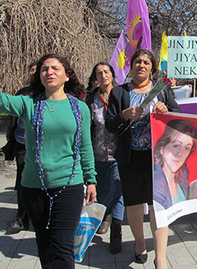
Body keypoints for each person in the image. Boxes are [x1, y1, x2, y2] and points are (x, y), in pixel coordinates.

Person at [0, 45, 97, 268]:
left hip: (68, 186)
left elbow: (85, 146)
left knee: (62, 245)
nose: (49, 72)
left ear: (66, 75)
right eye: (44, 69)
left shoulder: (80, 108)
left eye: (55, 68)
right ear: (38, 76)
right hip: (33, 186)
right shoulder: (28, 104)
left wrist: (91, 179)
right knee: (44, 243)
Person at [105, 49, 180, 269]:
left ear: (152, 67)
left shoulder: (162, 90)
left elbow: (178, 115)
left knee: (159, 205)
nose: (142, 65)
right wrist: (123, 116)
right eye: (138, 61)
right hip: (130, 157)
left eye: (146, 62)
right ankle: (140, 243)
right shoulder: (119, 93)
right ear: (131, 65)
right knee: (134, 203)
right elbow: (110, 124)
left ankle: (161, 259)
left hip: (158, 158)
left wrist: (166, 110)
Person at [85, 62, 125, 254]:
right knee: (101, 192)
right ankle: (105, 214)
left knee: (118, 190)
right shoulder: (91, 100)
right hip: (97, 153)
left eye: (106, 72)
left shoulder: (121, 96)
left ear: (112, 75)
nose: (103, 75)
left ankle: (116, 232)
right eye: (99, 73)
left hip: (118, 153)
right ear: (95, 78)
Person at [5, 61, 36, 232]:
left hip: (42, 146)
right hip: (23, 144)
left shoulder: (48, 93)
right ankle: (22, 216)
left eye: (36, 70)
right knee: (22, 180)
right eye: (31, 70)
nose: (34, 73)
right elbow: (12, 119)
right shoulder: (22, 94)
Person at [153, 119, 197, 210]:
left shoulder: (183, 175)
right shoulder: (155, 183)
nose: (180, 153)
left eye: (186, 148)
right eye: (176, 146)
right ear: (161, 149)